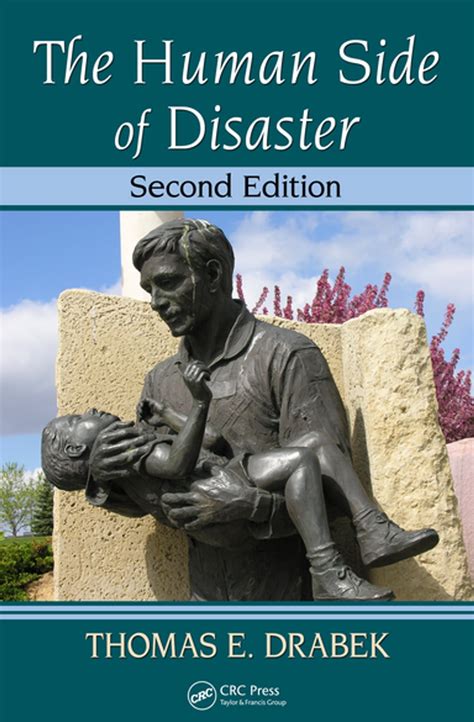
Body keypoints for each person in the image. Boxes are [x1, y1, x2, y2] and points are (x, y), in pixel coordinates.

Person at [86, 218, 438, 601]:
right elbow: (154, 490)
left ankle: (369, 535)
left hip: (288, 597)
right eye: (149, 289)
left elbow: (330, 492)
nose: (156, 302)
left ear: (213, 274)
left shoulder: (287, 355)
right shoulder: (160, 382)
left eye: (168, 282)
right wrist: (103, 475)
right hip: (205, 599)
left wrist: (251, 507)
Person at [42, 361, 395, 601]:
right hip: (216, 502)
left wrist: (166, 413)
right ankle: (327, 572)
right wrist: (199, 401)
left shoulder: (136, 438)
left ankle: (373, 531)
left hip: (226, 473)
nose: (89, 411)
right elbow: (177, 464)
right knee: (302, 459)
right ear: (75, 448)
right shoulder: (130, 452)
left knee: (317, 442)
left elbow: (209, 439)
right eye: (76, 420)